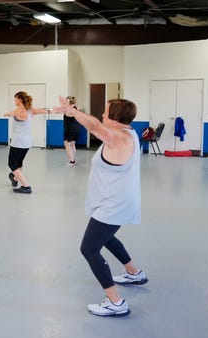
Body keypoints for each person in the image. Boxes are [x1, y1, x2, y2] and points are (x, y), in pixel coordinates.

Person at [55, 96, 148, 317]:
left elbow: (94, 125)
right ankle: (134, 272)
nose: (103, 115)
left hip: (114, 204)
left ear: (115, 118)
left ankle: (116, 302)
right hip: (117, 200)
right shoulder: (127, 133)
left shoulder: (119, 138)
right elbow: (97, 123)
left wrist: (73, 112)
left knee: (89, 248)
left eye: (106, 113)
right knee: (105, 238)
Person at [3, 91, 51, 194]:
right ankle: (15, 179)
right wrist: (53, 110)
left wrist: (7, 114)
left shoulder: (19, 110)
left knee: (12, 164)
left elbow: (12, 113)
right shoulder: (30, 110)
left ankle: (26, 186)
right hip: (27, 142)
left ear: (19, 99)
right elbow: (42, 111)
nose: (14, 101)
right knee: (19, 162)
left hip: (18, 142)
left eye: (15, 99)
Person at [63, 96, 79, 166]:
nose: (65, 102)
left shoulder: (69, 110)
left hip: (70, 129)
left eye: (66, 101)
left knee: (67, 145)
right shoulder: (75, 108)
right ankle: (72, 159)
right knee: (72, 144)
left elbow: (67, 113)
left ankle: (72, 161)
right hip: (76, 129)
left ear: (69, 102)